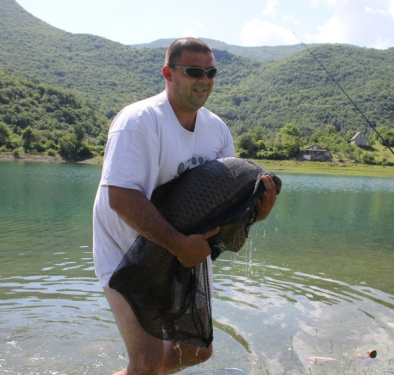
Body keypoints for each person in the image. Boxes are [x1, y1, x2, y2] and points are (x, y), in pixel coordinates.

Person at [93, 37, 277, 374]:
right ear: (168, 73)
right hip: (126, 252)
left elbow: (226, 209)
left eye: (211, 72)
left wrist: (255, 214)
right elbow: (119, 198)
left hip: (184, 254)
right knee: (147, 360)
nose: (204, 80)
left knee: (192, 352)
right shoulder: (138, 121)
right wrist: (180, 245)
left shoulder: (217, 130)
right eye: (194, 71)